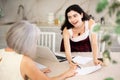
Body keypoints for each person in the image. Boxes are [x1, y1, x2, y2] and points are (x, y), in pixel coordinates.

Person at [0, 21, 76, 80]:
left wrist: (34, 72)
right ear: (27, 42)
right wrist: (66, 74)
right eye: (34, 40)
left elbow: (10, 72)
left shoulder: (1, 52)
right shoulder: (25, 61)